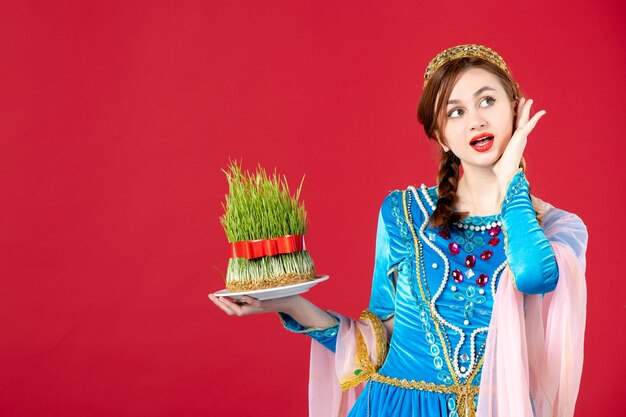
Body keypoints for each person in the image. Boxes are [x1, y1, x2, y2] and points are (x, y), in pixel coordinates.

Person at [209, 44, 588, 417]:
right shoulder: (404, 213)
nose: (476, 120)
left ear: (516, 109)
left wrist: (510, 182)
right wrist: (287, 303)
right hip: (397, 408)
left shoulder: (555, 226)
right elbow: (380, 341)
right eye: (455, 112)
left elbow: (533, 275)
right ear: (440, 136)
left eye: (487, 101)